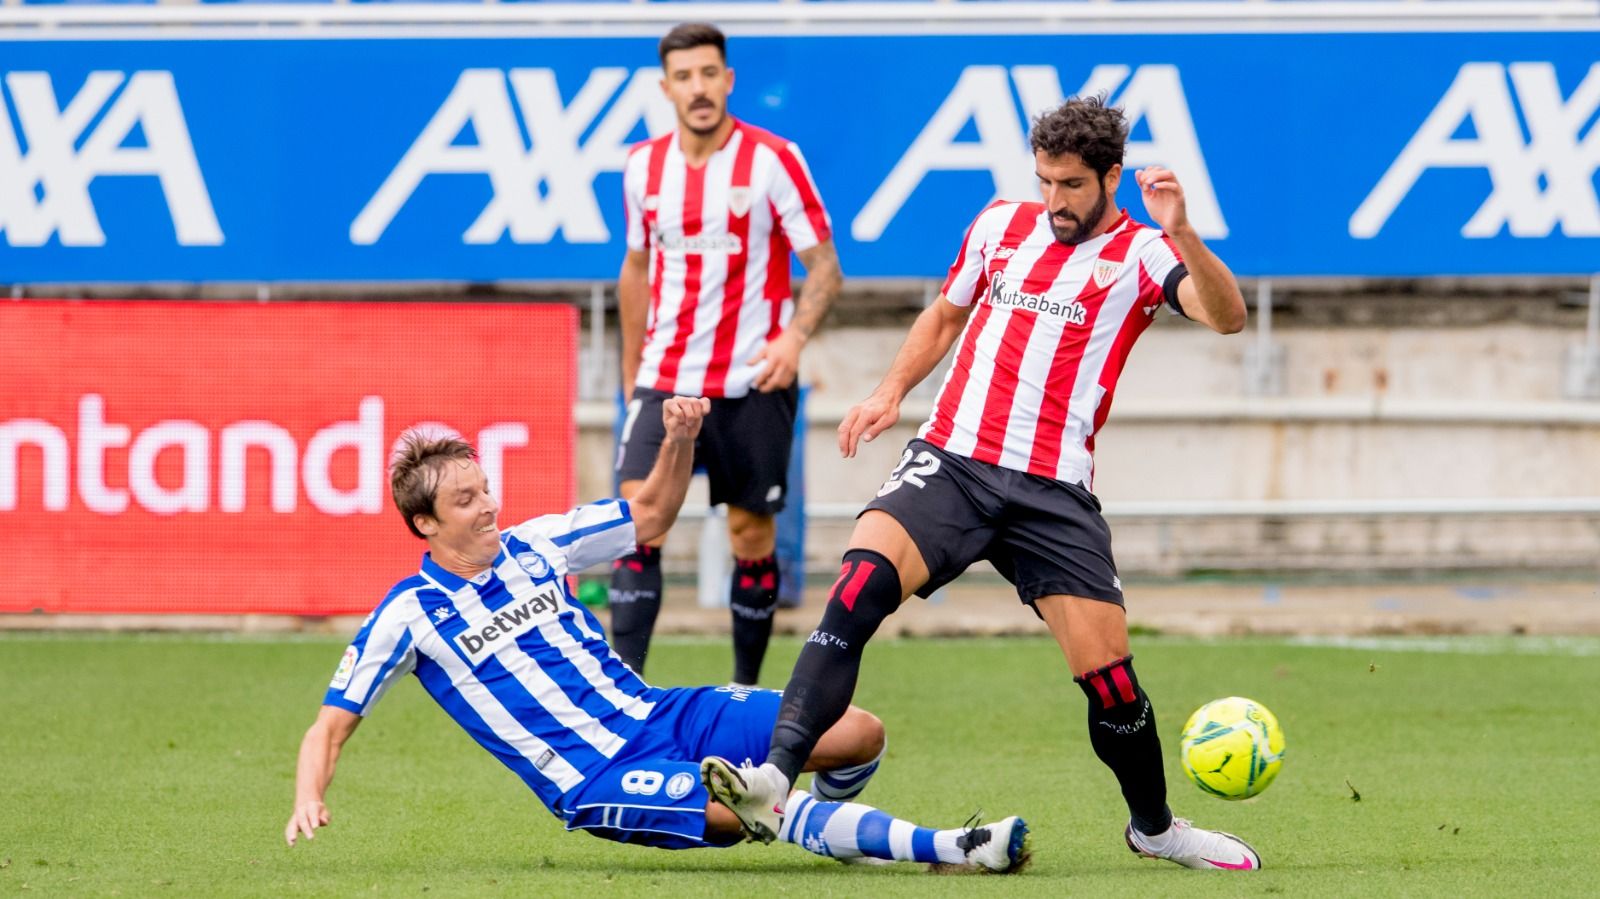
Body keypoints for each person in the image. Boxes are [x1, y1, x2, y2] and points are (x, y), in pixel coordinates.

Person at [701, 96, 1263, 871]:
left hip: (1051, 491)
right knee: (859, 584)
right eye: (1045, 182)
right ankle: (774, 777)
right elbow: (944, 314)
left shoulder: (1142, 252)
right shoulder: (1001, 224)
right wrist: (889, 391)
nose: (1054, 202)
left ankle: (1156, 828)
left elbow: (1226, 316)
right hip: (953, 462)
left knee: (1111, 683)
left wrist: (1185, 232)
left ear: (1112, 177)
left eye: (1071, 186)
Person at [284, 399, 1028, 873]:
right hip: (593, 772)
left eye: (484, 488)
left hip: (660, 712)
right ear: (424, 523)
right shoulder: (407, 613)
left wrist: (679, 442)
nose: (488, 506)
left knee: (858, 731)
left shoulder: (537, 541)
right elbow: (330, 725)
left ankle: (840, 839)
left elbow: (651, 517)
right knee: (739, 814)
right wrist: (308, 795)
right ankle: (950, 849)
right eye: (465, 499)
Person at [610, 22, 844, 687]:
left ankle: (745, 689)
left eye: (709, 73)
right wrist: (633, 370)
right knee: (637, 525)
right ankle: (626, 697)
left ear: (728, 80)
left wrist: (793, 338)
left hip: (751, 383)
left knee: (750, 536)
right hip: (664, 378)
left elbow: (825, 268)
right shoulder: (642, 168)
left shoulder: (772, 159)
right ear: (666, 88)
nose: (698, 88)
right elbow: (634, 267)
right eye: (684, 77)